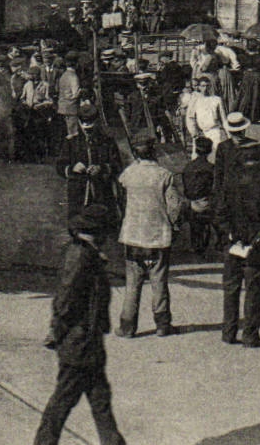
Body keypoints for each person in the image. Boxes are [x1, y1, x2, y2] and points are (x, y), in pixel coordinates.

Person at [29, 201, 137, 445]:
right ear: (97, 232)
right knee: (66, 395)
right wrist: (61, 331)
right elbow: (66, 299)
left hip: (87, 338)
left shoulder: (86, 253)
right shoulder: (80, 256)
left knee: (99, 396)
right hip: (78, 340)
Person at [214, 114, 260, 347]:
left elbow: (220, 211)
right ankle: (250, 336)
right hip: (255, 244)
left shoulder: (230, 184)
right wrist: (259, 238)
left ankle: (228, 332)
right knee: (253, 289)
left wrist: (228, 233)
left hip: (233, 242)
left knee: (230, 287)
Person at [116, 136, 186, 338]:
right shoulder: (164, 175)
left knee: (132, 283)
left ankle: (127, 327)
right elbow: (175, 205)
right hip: (158, 235)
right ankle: (163, 325)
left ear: (136, 153)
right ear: (153, 151)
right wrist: (175, 226)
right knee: (159, 281)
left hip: (133, 235)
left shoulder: (128, 174)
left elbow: (121, 197)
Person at [58, 102, 124, 230]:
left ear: (97, 122)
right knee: (79, 232)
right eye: (84, 124)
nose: (87, 127)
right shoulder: (71, 142)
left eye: (90, 124)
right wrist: (72, 168)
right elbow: (60, 166)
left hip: (102, 194)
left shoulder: (107, 142)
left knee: (104, 232)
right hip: (78, 195)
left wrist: (102, 168)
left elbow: (118, 165)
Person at [180, 137, 218, 255]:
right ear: (210, 150)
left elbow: (185, 187)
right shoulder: (211, 168)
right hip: (207, 203)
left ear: (196, 150)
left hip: (191, 202)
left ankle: (196, 245)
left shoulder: (188, 167)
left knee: (195, 223)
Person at [185, 73, 226, 160]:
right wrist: (194, 132)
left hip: (214, 131)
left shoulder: (216, 99)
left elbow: (223, 118)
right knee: (198, 157)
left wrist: (229, 135)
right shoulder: (195, 100)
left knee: (214, 156)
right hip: (201, 133)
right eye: (203, 86)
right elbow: (190, 117)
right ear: (199, 87)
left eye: (208, 86)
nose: (205, 88)